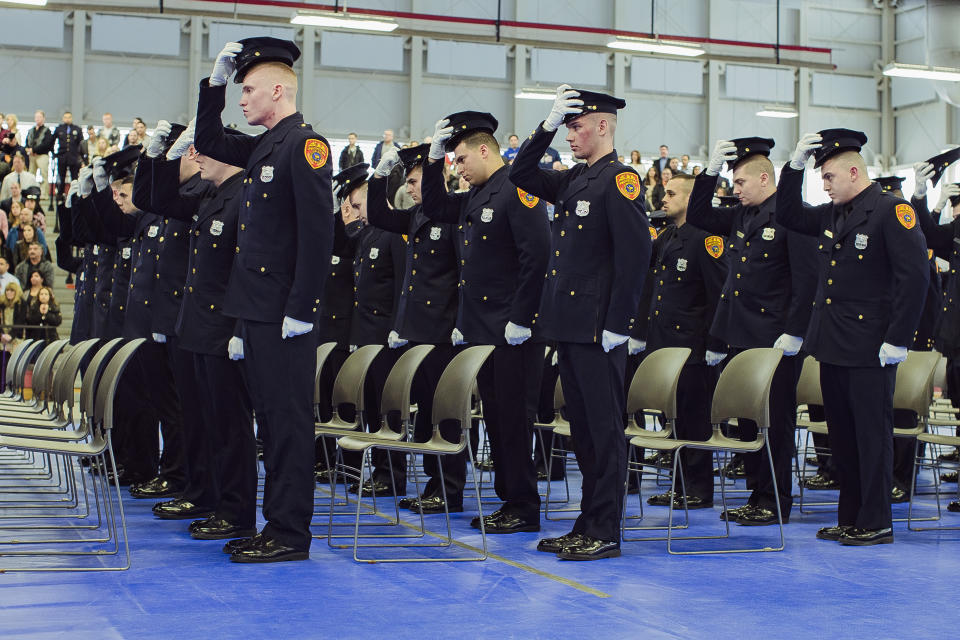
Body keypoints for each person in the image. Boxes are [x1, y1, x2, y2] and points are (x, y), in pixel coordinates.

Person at [195, 37, 333, 563]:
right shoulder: (263, 146)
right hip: (255, 311)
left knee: (289, 423)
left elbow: (318, 236)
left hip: (283, 316)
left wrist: (302, 309)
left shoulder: (304, 145)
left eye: (248, 89)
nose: (243, 99)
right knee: (271, 426)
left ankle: (290, 533)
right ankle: (275, 526)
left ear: (279, 90)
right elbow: (207, 136)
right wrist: (215, 83)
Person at [510, 86, 650, 560]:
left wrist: (621, 322)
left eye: (575, 126)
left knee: (604, 430)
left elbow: (636, 257)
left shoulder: (620, 179)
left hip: (597, 329)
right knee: (584, 432)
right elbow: (520, 172)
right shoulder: (574, 180)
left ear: (603, 126)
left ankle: (605, 529)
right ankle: (586, 521)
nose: (569, 135)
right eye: (567, 127)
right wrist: (545, 125)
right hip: (567, 325)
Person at [776, 129, 929, 545]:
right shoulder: (832, 213)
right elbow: (787, 214)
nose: (823, 186)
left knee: (870, 437)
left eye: (828, 177)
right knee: (841, 439)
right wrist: (792, 168)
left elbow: (914, 278)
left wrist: (899, 339)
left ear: (854, 171)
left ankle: (876, 520)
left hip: (871, 348)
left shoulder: (890, 211)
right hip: (833, 344)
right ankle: (851, 517)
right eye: (820, 178)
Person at [421, 110, 551, 535]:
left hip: (513, 332)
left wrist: (523, 319)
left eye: (460, 159)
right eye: (452, 161)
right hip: (482, 330)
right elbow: (436, 205)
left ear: (483, 151)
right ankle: (509, 500)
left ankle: (523, 505)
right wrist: (432, 156)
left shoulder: (518, 187)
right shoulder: (477, 195)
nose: (456, 168)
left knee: (513, 420)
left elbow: (538, 257)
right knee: (496, 419)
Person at [685, 137, 817, 527]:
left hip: (776, 339)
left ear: (764, 178)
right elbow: (698, 216)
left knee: (774, 423)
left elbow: (807, 281)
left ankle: (775, 501)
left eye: (740, 182)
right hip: (741, 335)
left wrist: (794, 333)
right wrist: (708, 174)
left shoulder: (792, 217)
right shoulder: (743, 216)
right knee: (747, 421)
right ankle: (755, 495)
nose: (735, 190)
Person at [368, 143, 464, 512]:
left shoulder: (453, 213)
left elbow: (461, 274)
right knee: (425, 413)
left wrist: (459, 324)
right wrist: (380, 176)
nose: (409, 188)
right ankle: (432, 486)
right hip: (417, 332)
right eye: (406, 182)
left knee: (445, 413)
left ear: (436, 177)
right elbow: (377, 215)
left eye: (413, 180)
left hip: (443, 332)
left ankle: (449, 488)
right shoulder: (418, 216)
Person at [631, 172, 727, 510]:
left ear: (689, 199)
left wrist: (716, 344)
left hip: (693, 349)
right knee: (674, 419)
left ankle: (698, 489)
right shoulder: (669, 236)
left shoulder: (706, 239)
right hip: (665, 345)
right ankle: (679, 484)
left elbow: (719, 295)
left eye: (672, 193)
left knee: (693, 421)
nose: (664, 198)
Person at [337, 164, 407, 497]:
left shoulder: (393, 233)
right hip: (363, 334)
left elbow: (401, 284)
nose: (359, 214)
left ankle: (390, 474)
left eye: (360, 205)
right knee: (367, 405)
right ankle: (370, 469)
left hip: (384, 334)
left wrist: (397, 328)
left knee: (386, 409)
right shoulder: (368, 233)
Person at [52, 111, 85, 194]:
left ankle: (75, 194)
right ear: (63, 119)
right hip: (62, 156)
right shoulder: (59, 129)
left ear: (72, 118)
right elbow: (51, 142)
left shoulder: (77, 129)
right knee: (61, 178)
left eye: (69, 117)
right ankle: (60, 195)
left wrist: (81, 158)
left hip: (73, 157)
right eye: (66, 117)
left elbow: (81, 144)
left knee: (74, 177)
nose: (67, 119)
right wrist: (54, 153)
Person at [25, 111, 53, 189]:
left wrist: (34, 150)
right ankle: (30, 192)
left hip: (42, 156)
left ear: (43, 119)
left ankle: (44, 194)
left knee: (44, 175)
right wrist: (28, 149)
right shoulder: (31, 130)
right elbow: (27, 142)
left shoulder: (47, 131)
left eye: (39, 117)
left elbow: (46, 144)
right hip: (31, 156)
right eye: (36, 117)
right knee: (31, 175)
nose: (37, 119)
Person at [0, 280, 26, 348]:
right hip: (3, 338)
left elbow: (20, 321)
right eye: (7, 290)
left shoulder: (21, 304)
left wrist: (11, 335)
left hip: (16, 338)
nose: (9, 292)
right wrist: (2, 335)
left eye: (12, 291)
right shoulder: (2, 303)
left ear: (16, 292)